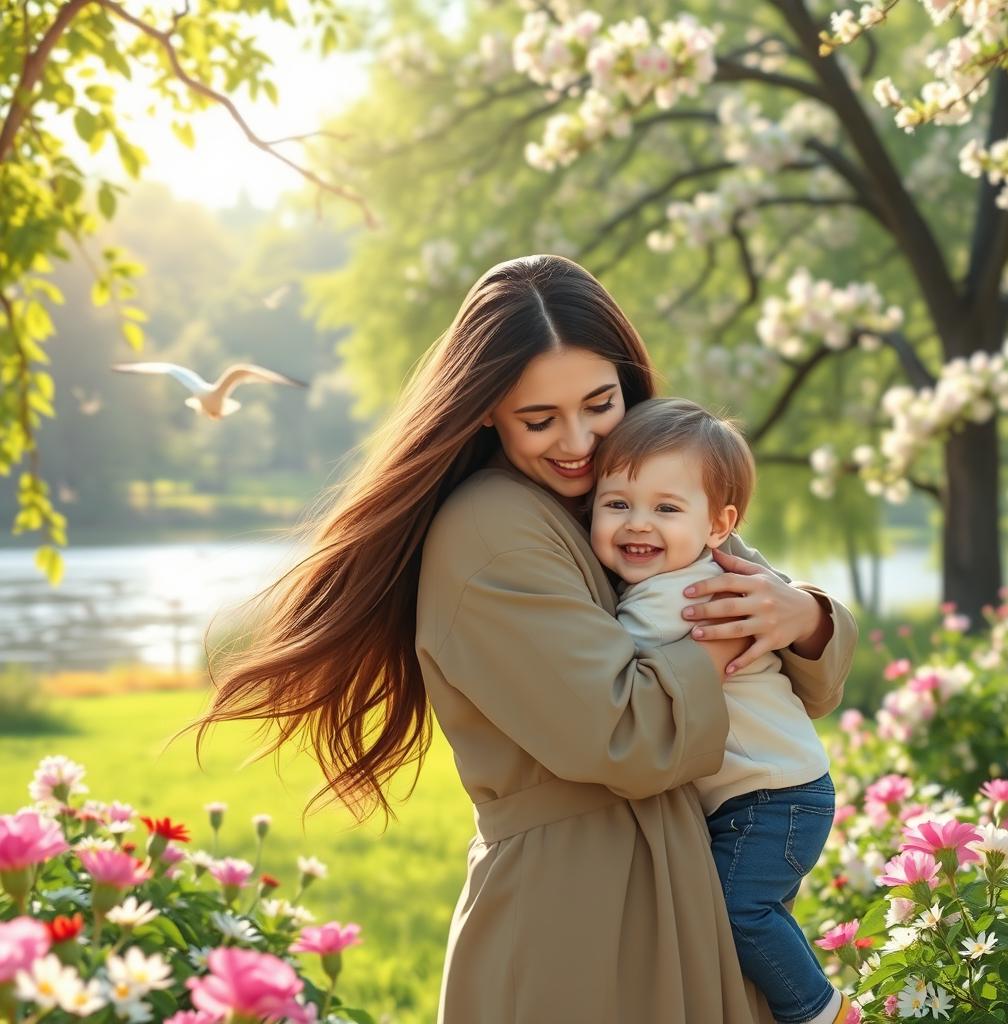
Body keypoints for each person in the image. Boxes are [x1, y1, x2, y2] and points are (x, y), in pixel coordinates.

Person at [191, 254, 857, 1023]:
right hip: (576, 910)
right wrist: (727, 627)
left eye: (600, 403)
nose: (577, 441)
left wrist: (800, 615)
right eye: (539, 420)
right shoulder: (493, 534)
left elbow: (810, 667)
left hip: (673, 879)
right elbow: (627, 735)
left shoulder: (632, 495)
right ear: (485, 411)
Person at [590, 397, 853, 1024]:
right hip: (775, 789)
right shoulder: (686, 573)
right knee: (753, 928)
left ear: (718, 526)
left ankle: (828, 1014)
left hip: (771, 795)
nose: (638, 525)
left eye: (667, 509)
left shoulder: (676, 596)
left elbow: (612, 677)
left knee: (739, 916)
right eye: (617, 504)